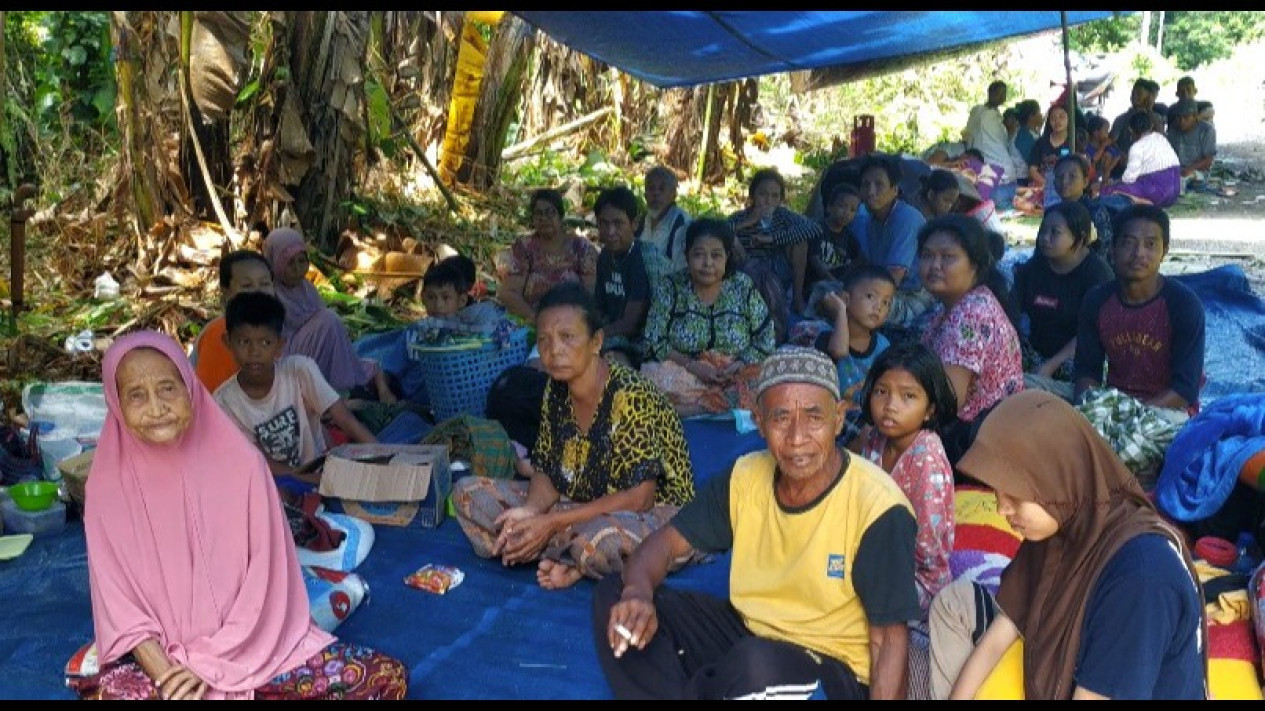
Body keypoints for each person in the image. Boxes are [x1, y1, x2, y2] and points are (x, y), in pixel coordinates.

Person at [79, 330, 408, 700]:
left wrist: (210, 663)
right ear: (116, 404)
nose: (156, 407)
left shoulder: (242, 465)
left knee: (382, 678)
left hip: (256, 648)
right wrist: (169, 678)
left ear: (190, 387)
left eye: (168, 388)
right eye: (136, 395)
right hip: (163, 661)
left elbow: (266, 580)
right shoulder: (107, 489)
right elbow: (119, 603)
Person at [593, 346, 921, 700]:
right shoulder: (744, 477)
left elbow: (888, 640)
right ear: (759, 422)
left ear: (839, 418)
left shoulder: (878, 507)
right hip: (749, 635)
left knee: (757, 667)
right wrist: (638, 594)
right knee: (619, 596)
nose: (797, 438)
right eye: (781, 418)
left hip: (829, 669)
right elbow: (665, 545)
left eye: (814, 417)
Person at [930, 389, 1207, 700]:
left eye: (1015, 495)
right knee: (953, 602)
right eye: (997, 492)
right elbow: (1000, 632)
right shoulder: (1067, 521)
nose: (1001, 509)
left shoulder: (1142, 577)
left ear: (1061, 477)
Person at [450, 282, 697, 590]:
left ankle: (568, 555)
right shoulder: (555, 389)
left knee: (602, 542)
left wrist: (551, 523)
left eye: (567, 337)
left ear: (596, 342)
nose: (554, 351)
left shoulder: (630, 394)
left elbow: (641, 497)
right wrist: (531, 512)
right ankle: (559, 551)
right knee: (467, 492)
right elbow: (548, 470)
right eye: (544, 340)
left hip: (653, 514)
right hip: (581, 502)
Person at [214, 291, 378, 486]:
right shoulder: (223, 403)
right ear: (228, 342)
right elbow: (259, 462)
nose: (254, 353)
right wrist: (315, 480)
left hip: (318, 467)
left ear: (280, 346)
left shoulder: (299, 370)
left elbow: (343, 417)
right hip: (272, 482)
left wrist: (381, 454)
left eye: (265, 343)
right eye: (244, 342)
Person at [1073, 205, 1206, 415]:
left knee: (1124, 445)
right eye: (1128, 243)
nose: (1138, 253)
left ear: (1165, 251)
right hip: (1112, 404)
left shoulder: (1183, 305)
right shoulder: (1096, 301)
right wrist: (1091, 408)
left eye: (1150, 244)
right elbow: (1087, 370)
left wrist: (1133, 413)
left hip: (1168, 411)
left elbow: (1185, 388)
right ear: (1112, 249)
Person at [856, 341, 957, 614]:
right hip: (873, 554)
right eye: (881, 392)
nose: (890, 406)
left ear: (930, 409)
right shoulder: (876, 439)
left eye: (908, 397)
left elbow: (928, 551)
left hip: (916, 579)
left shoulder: (927, 463)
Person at [640, 218, 776, 417]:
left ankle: (694, 410)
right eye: (699, 255)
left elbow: (765, 338)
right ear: (687, 256)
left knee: (768, 380)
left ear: (727, 257)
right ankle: (718, 409)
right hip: (685, 372)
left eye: (716, 255)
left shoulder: (742, 286)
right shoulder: (670, 287)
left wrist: (738, 365)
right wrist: (694, 366)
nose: (707, 264)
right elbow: (653, 341)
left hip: (736, 373)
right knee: (652, 377)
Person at [917, 215, 1024, 466]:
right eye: (927, 255)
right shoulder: (955, 305)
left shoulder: (971, 313)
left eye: (948, 257)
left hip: (974, 443)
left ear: (974, 265)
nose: (934, 265)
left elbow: (948, 402)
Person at [262, 227, 396, 403]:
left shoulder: (307, 289)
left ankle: (357, 386)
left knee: (338, 334)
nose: (297, 268)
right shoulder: (269, 293)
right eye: (289, 263)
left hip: (313, 352)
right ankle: (338, 391)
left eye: (301, 261)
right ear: (275, 262)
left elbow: (322, 331)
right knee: (328, 320)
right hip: (285, 358)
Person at [1013, 200, 1114, 399]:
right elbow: (1012, 310)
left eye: (1055, 232)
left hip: (1075, 357)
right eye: (1043, 231)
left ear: (1079, 238)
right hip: (1037, 350)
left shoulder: (1097, 274)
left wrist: (1050, 366)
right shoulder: (1034, 267)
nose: (1045, 238)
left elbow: (1091, 332)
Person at [726, 168, 822, 337]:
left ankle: (797, 300)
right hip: (748, 268)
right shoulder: (740, 217)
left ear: (780, 199)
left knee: (800, 242)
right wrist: (748, 223)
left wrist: (773, 239)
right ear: (753, 195)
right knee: (731, 240)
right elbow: (717, 232)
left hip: (778, 268)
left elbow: (812, 228)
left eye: (774, 196)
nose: (768, 201)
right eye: (763, 194)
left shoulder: (782, 216)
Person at [494, 187, 599, 324]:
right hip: (533, 321)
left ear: (560, 216)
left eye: (550, 213)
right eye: (539, 214)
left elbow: (590, 293)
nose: (544, 219)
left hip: (572, 320)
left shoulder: (580, 248)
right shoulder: (524, 248)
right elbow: (508, 293)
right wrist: (534, 317)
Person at [851, 154, 932, 329]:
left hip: (913, 297)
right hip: (882, 290)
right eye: (866, 185)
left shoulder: (906, 219)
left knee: (853, 308)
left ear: (894, 190)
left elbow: (892, 279)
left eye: (879, 185)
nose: (871, 191)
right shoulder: (868, 219)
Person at [821, 264, 897, 439]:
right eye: (871, 296)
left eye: (886, 302)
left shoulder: (883, 346)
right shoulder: (828, 339)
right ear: (846, 300)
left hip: (867, 419)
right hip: (832, 416)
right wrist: (840, 311)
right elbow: (839, 351)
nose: (878, 307)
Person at [192, 250, 275, 394]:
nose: (258, 292)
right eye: (247, 286)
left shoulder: (274, 325)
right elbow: (213, 403)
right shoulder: (221, 331)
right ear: (226, 293)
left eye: (265, 283)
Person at [592, 186, 653, 367]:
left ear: (634, 224)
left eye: (618, 223)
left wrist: (596, 335)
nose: (610, 232)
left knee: (611, 364)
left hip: (642, 343)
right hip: (611, 334)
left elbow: (630, 324)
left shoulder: (643, 259)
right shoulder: (605, 256)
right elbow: (598, 306)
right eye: (604, 223)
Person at [803, 182, 863, 320]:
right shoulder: (817, 229)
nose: (846, 213)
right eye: (842, 206)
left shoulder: (850, 237)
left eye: (853, 210)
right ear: (829, 207)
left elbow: (859, 261)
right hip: (816, 284)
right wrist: (834, 281)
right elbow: (815, 261)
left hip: (839, 285)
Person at [1100, 111, 1182, 210]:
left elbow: (1128, 179)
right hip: (1174, 192)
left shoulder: (1137, 147)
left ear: (1131, 130)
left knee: (1109, 191)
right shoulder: (1160, 138)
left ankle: (1144, 201)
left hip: (1157, 192)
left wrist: (1113, 183)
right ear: (1151, 127)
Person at [963, 80, 1019, 209]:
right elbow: (970, 133)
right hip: (984, 157)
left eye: (1004, 94)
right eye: (998, 93)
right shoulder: (977, 111)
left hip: (1001, 158)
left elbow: (1002, 139)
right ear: (990, 92)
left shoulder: (999, 117)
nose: (1001, 97)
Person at [635, 165, 691, 277]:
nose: (656, 193)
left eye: (662, 189)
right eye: (651, 188)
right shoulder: (642, 220)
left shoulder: (682, 224)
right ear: (645, 194)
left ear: (673, 195)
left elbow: (682, 271)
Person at [1109, 78, 1160, 173]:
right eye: (1133, 93)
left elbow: (1161, 137)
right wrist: (1122, 155)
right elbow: (1111, 142)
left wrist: (1149, 109)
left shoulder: (1155, 118)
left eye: (1139, 94)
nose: (1134, 96)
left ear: (1149, 97)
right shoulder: (1121, 119)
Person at [1166, 99, 1217, 184]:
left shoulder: (1206, 130)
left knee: (1185, 178)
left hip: (1198, 172)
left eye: (1186, 117)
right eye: (1179, 117)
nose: (1182, 121)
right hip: (1177, 170)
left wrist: (1189, 169)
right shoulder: (1173, 130)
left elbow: (1208, 160)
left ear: (1195, 116)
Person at [1083, 114, 1123, 195]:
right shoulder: (1087, 147)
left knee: (1108, 155)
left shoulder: (1107, 147)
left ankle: (1104, 184)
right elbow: (1094, 159)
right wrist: (1102, 146)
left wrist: (1109, 168)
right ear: (1096, 133)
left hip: (1103, 175)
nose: (1108, 134)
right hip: (1090, 176)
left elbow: (1118, 156)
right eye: (1106, 131)